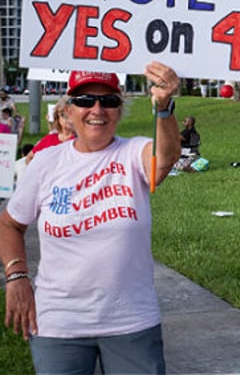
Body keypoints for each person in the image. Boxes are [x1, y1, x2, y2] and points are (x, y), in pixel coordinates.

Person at [0, 62, 182, 375]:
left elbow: (165, 157)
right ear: (68, 111)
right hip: (58, 323)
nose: (97, 109)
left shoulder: (133, 153)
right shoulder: (46, 162)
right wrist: (16, 276)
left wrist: (163, 107)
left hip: (131, 322)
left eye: (109, 101)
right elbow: (10, 223)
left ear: (119, 110)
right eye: (85, 101)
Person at [26, 96, 76, 161]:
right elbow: (29, 158)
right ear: (57, 118)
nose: (67, 118)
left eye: (71, 114)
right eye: (63, 115)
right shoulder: (49, 139)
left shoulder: (82, 141)